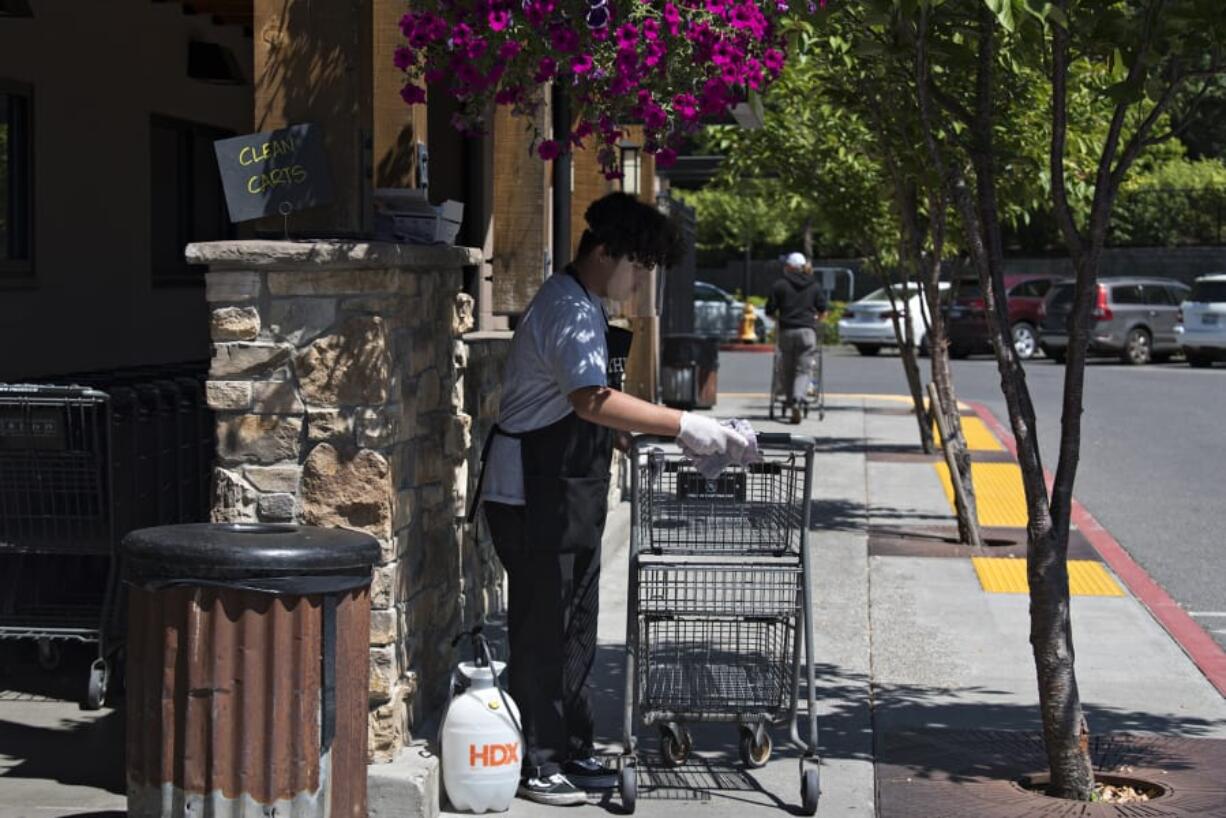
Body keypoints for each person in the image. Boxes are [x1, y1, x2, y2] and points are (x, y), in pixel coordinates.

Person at [469, 192, 753, 806]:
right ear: (604, 253)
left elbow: (599, 412)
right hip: (533, 492)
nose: (641, 280)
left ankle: (571, 747)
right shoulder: (566, 308)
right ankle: (533, 762)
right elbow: (589, 400)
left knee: (576, 629)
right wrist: (681, 423)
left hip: (570, 492)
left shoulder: (586, 306)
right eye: (638, 266)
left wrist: (647, 440)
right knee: (541, 631)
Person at [766, 252, 827, 424]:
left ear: (789, 267)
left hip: (786, 331)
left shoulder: (779, 285)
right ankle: (798, 400)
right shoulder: (814, 285)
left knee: (787, 369)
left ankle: (789, 399)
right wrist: (815, 321)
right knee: (804, 370)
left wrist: (780, 320)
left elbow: (770, 311)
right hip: (807, 332)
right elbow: (823, 311)